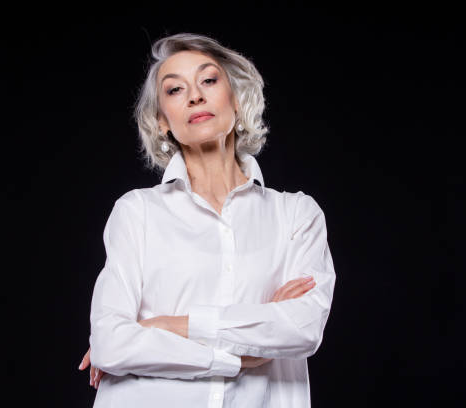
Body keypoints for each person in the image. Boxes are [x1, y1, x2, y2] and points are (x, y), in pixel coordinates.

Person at [78, 33, 336, 407]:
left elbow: (301, 329)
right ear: (162, 122)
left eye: (209, 80)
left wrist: (165, 326)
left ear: (235, 98)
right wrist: (244, 352)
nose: (195, 96)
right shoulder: (137, 212)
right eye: (175, 90)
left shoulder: (296, 214)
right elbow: (110, 344)